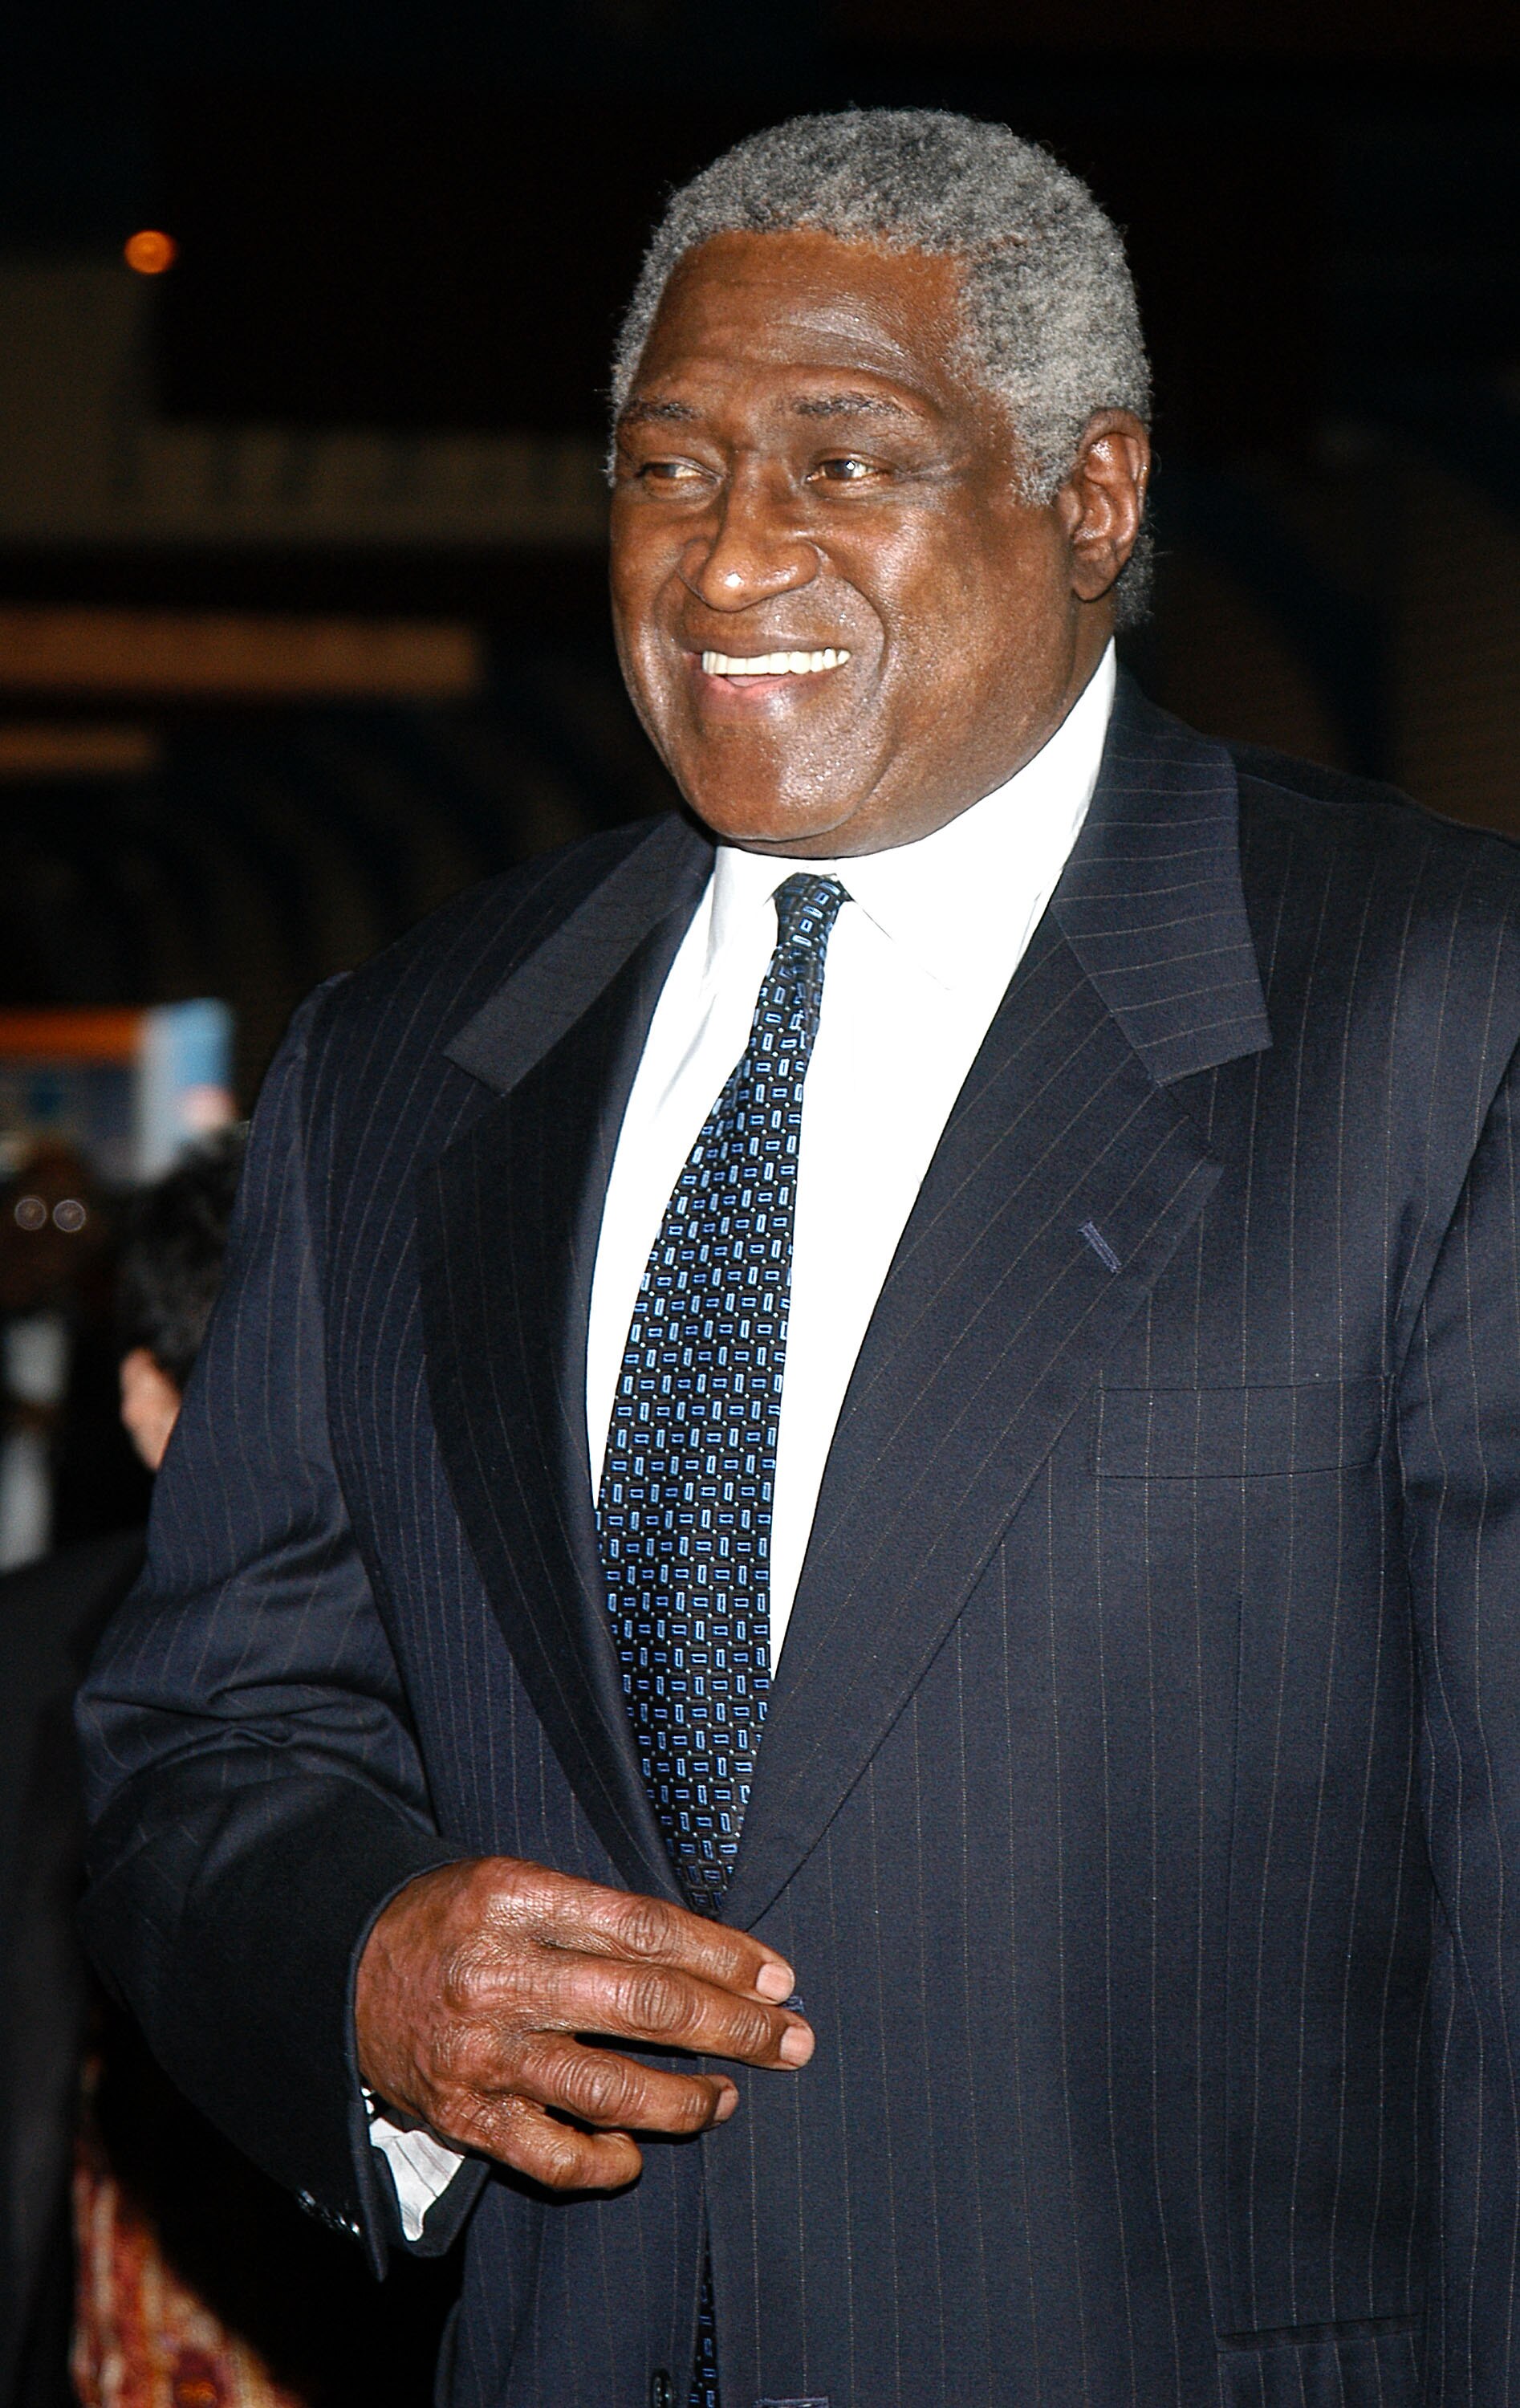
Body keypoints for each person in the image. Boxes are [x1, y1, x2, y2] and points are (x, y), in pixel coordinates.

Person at [75, 108, 1520, 2408]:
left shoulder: (1435, 1016)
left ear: (1094, 498)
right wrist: (355, 1963)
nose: (730, 563)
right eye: (668, 469)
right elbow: (198, 1730)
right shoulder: (414, 1060)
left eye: (846, 465)